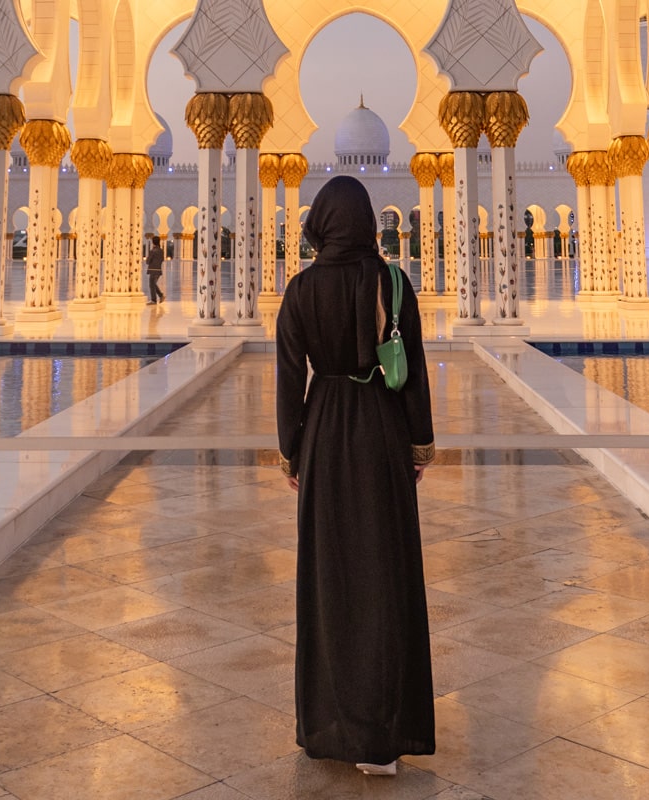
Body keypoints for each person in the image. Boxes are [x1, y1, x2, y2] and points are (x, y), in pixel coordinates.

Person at [275, 175, 436, 776]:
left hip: (324, 431)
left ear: (321, 221)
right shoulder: (393, 284)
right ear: (367, 221)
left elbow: (291, 379)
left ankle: (331, 726)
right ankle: (384, 739)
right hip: (381, 431)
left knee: (330, 575)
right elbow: (414, 369)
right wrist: (417, 445)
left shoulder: (300, 291)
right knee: (383, 573)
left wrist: (293, 452)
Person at [144, 235, 164, 304]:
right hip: (158, 270)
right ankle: (160, 295)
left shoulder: (153, 251)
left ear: (153, 242)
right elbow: (162, 259)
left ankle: (154, 300)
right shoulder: (161, 250)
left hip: (153, 270)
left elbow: (148, 261)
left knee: (151, 285)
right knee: (153, 284)